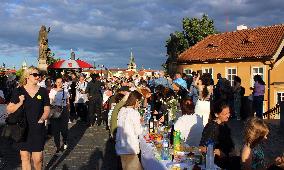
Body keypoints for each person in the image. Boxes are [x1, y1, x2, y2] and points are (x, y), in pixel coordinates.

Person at [6, 66, 50, 170]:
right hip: (22, 129)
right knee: (25, 157)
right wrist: (20, 102)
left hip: (38, 128)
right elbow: (10, 109)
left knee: (38, 159)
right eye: (35, 74)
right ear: (27, 76)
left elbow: (47, 109)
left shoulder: (43, 91)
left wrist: (42, 119)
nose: (37, 77)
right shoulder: (19, 91)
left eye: (38, 75)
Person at [199, 100, 240, 170]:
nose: (228, 116)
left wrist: (232, 151)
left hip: (227, 159)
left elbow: (229, 144)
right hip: (216, 163)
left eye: (229, 113)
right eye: (225, 114)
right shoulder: (211, 127)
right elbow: (201, 148)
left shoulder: (224, 125)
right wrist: (216, 152)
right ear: (216, 114)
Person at [115, 90, 143, 170]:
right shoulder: (134, 113)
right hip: (130, 147)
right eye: (139, 102)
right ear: (136, 100)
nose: (139, 104)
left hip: (121, 145)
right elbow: (138, 131)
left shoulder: (122, 110)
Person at [49, 77, 70, 155]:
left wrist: (68, 110)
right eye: (58, 82)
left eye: (61, 82)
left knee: (64, 129)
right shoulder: (52, 91)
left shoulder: (66, 91)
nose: (59, 83)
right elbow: (50, 102)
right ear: (55, 83)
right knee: (56, 130)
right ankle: (57, 148)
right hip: (55, 110)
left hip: (64, 110)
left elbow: (68, 102)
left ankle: (64, 141)